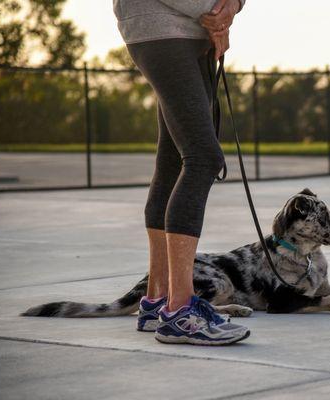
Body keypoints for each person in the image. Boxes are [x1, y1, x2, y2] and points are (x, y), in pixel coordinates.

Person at [112, 0, 250, 345]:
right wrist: (213, 11)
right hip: (160, 29)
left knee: (173, 161)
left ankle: (158, 299)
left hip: (193, 33)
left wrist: (231, 7)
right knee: (203, 157)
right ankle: (179, 310)